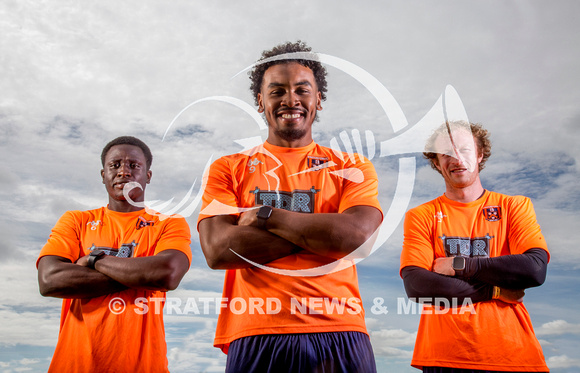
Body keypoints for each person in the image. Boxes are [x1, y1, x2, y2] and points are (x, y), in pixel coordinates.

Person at [197, 41, 383, 372]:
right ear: (260, 101)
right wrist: (325, 231)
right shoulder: (227, 168)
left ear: (318, 100)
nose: (290, 100)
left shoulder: (353, 165)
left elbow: (355, 237)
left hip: (339, 328)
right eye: (277, 90)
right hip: (256, 328)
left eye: (301, 89)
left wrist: (267, 216)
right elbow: (218, 250)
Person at [400, 121, 549, 372]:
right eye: (445, 153)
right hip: (443, 355)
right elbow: (418, 286)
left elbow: (533, 270)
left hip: (513, 355)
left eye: (464, 149)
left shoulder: (514, 206)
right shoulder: (421, 215)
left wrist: (460, 264)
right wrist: (497, 292)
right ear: (436, 162)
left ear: (480, 154)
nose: (456, 158)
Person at [37, 136, 192, 372]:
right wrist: (141, 275)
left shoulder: (169, 223)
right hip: (74, 365)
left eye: (133, 165)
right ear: (103, 175)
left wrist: (93, 260)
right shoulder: (76, 221)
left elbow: (167, 274)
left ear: (148, 176)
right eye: (115, 165)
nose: (124, 172)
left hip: (143, 366)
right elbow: (50, 280)